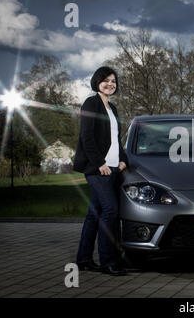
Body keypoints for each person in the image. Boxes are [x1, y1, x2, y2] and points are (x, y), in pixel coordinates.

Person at [73, 66, 129, 276]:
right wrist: (100, 163)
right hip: (98, 170)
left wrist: (122, 160)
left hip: (113, 169)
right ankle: (108, 261)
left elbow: (115, 141)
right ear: (97, 82)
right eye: (105, 80)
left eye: (113, 81)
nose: (110, 84)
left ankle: (84, 259)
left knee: (94, 215)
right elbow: (87, 137)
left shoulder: (112, 108)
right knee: (110, 211)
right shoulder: (91, 103)